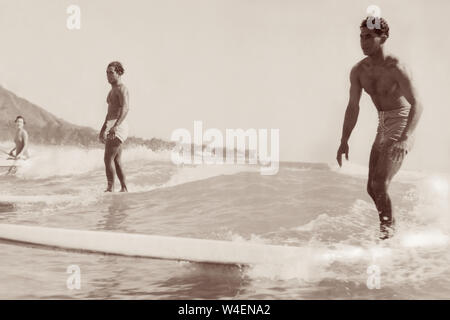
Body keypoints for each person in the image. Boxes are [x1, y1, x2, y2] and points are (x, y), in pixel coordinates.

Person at [336, 17, 423, 239]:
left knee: (379, 183)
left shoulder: (396, 67)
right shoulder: (358, 71)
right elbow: (353, 107)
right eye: (361, 36)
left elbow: (417, 104)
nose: (363, 42)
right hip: (382, 123)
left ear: (382, 38)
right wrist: (344, 140)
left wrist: (405, 138)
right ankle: (392, 229)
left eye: (369, 37)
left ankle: (387, 236)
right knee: (371, 188)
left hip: (402, 121)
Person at [99, 61, 129, 192]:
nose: (108, 75)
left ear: (119, 73)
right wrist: (103, 129)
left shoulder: (122, 89)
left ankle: (110, 188)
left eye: (111, 72)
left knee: (107, 158)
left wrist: (115, 126)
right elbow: (109, 113)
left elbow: (126, 108)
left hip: (119, 125)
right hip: (111, 124)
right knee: (116, 160)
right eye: (107, 73)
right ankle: (124, 188)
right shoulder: (112, 91)